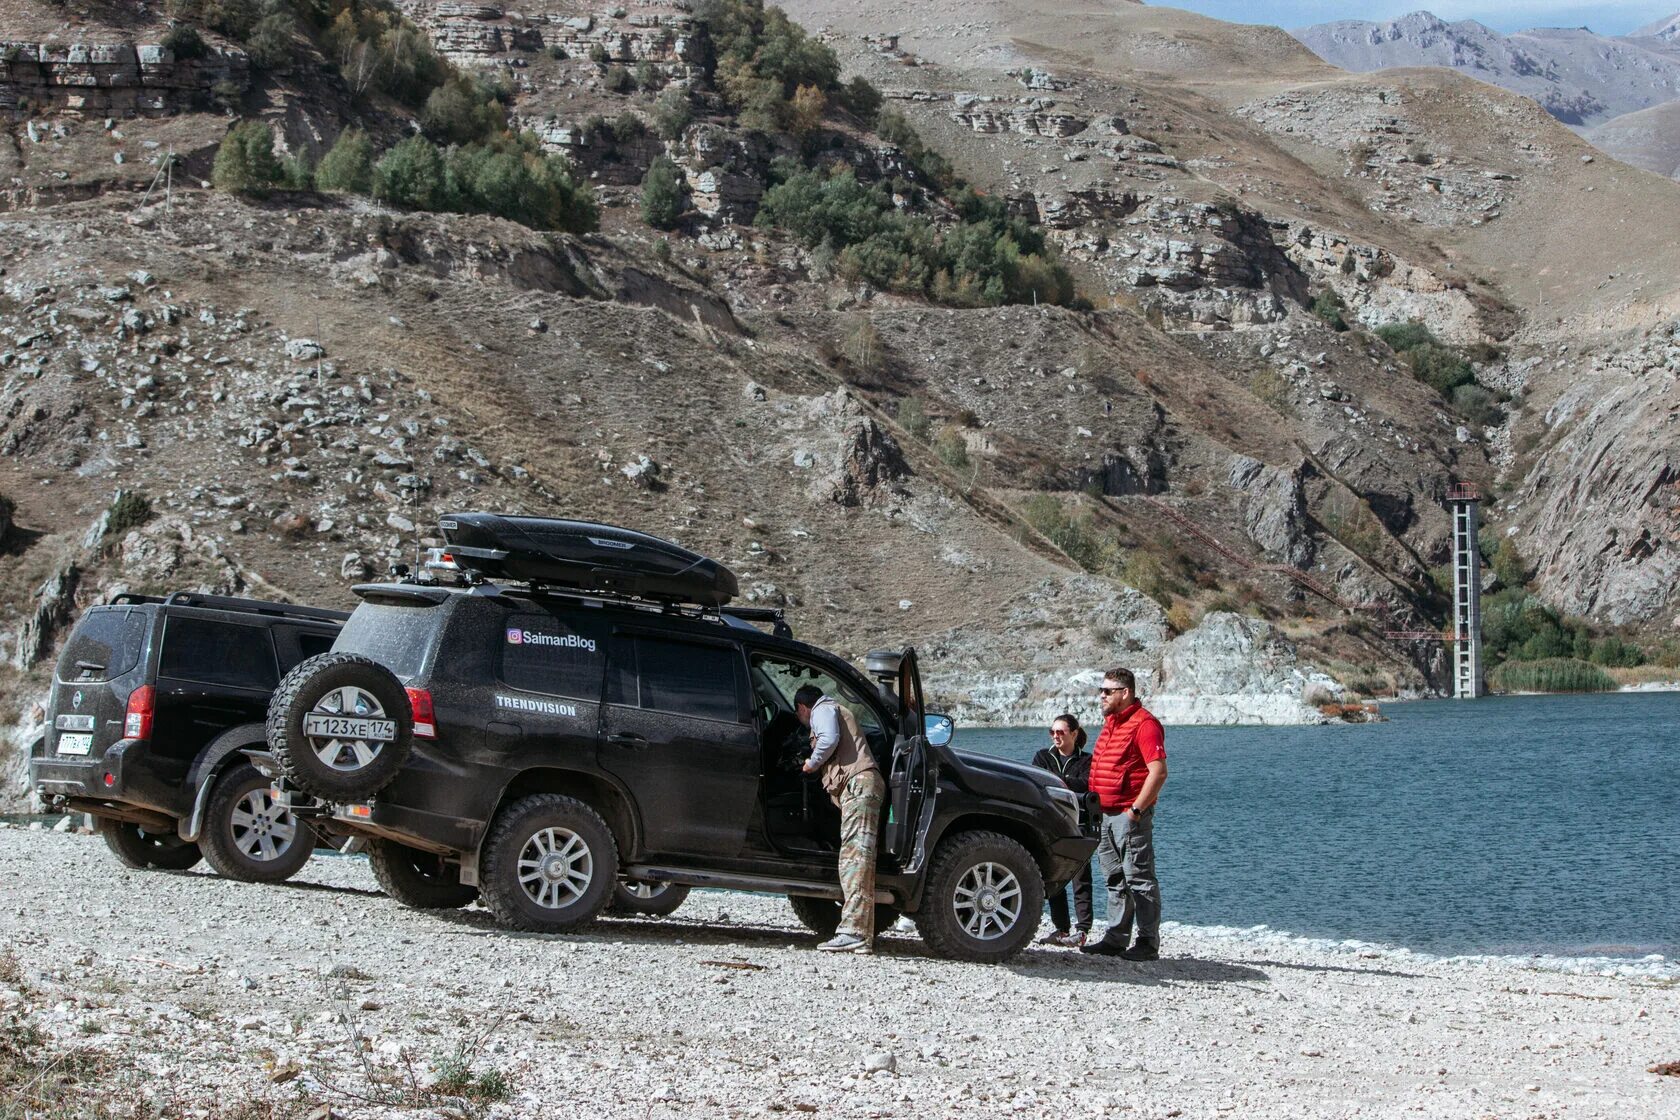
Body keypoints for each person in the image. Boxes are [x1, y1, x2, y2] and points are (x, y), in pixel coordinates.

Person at [1081, 668, 1167, 961]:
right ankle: (1116, 939)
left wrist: (1136, 812)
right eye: (1101, 691)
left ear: (1125, 693)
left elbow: (1158, 772)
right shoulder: (1111, 723)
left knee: (1139, 879)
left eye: (1107, 691)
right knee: (1115, 879)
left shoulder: (1144, 725)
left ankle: (1147, 943)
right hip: (1104, 815)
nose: (1101, 696)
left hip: (1128, 815)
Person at [794, 683, 886, 954]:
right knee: (862, 861)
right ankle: (861, 935)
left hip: (858, 787)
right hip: (864, 787)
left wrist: (811, 763)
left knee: (854, 860)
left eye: (800, 716)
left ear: (802, 708)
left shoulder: (823, 709)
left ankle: (852, 931)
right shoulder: (836, 709)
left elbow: (828, 738)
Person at [1032, 713, 1093, 947]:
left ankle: (1083, 929)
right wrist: (1066, 782)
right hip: (1050, 824)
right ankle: (1061, 929)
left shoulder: (1087, 760)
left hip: (1078, 824)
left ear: (1074, 734)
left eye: (1061, 732)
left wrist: (1056, 782)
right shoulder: (1042, 756)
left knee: (1080, 876)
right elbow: (1037, 782)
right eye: (1053, 732)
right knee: (1055, 875)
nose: (1056, 736)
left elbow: (1086, 785)